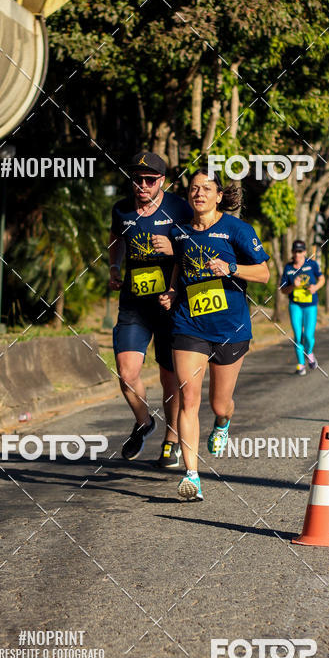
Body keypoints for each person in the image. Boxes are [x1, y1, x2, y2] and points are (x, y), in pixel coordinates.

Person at [159, 168, 270, 501]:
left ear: (219, 195)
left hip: (229, 328)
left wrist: (231, 268)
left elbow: (264, 273)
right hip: (188, 325)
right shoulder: (179, 232)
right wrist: (173, 290)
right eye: (194, 188)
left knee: (219, 403)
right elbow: (180, 265)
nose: (199, 193)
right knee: (187, 398)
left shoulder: (237, 229)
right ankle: (191, 475)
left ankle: (223, 422)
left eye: (207, 188)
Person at [109, 152, 193, 467]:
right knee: (127, 372)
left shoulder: (179, 208)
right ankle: (145, 422)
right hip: (134, 301)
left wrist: (174, 248)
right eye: (136, 179)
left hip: (170, 302)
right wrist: (114, 266)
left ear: (162, 181)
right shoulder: (121, 208)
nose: (141, 185)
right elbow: (116, 237)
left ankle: (171, 440)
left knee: (169, 378)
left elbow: (198, 241)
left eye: (149, 180)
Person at [280, 240, 325, 375]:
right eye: (295, 251)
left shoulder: (312, 264)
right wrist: (293, 286)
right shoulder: (288, 268)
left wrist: (315, 287)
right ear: (292, 252)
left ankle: (309, 352)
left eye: (300, 251)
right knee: (298, 335)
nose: (297, 254)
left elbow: (322, 279)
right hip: (295, 305)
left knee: (308, 335)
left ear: (305, 252)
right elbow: (283, 290)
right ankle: (301, 364)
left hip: (310, 305)